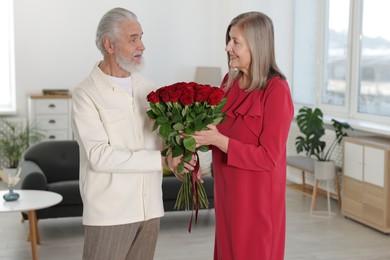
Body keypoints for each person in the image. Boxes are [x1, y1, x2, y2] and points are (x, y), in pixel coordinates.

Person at [71, 7, 193, 260]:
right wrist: (161, 161)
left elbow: (161, 141)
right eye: (133, 39)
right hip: (110, 214)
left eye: (141, 37)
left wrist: (181, 155)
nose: (142, 46)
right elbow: (99, 156)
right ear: (109, 45)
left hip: (150, 209)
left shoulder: (148, 89)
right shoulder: (86, 94)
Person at [192, 11, 294, 260]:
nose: (228, 47)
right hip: (228, 195)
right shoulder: (229, 82)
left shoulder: (276, 90)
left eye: (235, 41)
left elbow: (269, 158)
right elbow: (215, 133)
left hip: (256, 202)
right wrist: (193, 151)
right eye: (229, 40)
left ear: (256, 44)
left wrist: (218, 141)